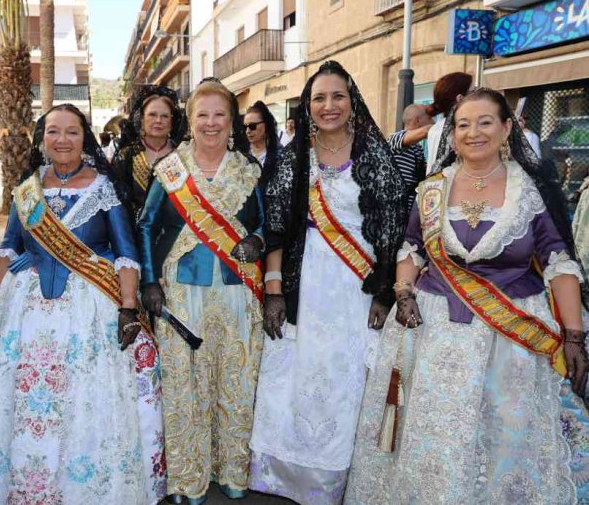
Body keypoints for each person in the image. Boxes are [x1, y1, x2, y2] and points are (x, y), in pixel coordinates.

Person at [346, 88, 589, 504]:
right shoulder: (432, 190)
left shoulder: (530, 192)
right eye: (463, 124)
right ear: (452, 134)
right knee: (434, 430)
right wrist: (403, 292)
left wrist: (573, 336)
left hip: (509, 338)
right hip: (435, 332)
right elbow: (411, 250)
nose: (473, 132)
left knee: (501, 437)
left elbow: (558, 263)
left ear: (507, 129)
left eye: (485, 122)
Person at [0, 104, 166, 504]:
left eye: (72, 132)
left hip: (88, 308)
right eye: (53, 131)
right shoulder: (28, 188)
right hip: (26, 311)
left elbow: (126, 251)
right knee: (30, 399)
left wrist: (127, 307)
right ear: (41, 138)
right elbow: (9, 246)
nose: (62, 140)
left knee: (82, 397)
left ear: (85, 138)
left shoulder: (104, 187)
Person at [248, 60, 405, 504]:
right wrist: (273, 291)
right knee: (292, 375)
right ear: (307, 105)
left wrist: (384, 292)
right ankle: (283, 473)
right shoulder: (293, 157)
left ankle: (336, 479)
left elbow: (392, 229)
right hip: (303, 283)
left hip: (356, 286)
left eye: (338, 96)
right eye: (319, 97)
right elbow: (277, 229)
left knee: (345, 378)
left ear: (352, 101)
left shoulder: (375, 155)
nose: (329, 105)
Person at [138, 78, 264, 504]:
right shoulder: (171, 170)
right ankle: (188, 478)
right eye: (202, 115)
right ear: (189, 122)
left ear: (232, 121)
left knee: (235, 381)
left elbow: (265, 223)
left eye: (219, 115)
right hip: (181, 293)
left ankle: (231, 470)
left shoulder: (247, 171)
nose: (211, 123)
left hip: (236, 291)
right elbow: (146, 225)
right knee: (185, 385)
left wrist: (258, 241)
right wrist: (150, 281)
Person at [112, 85, 186, 221]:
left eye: (165, 116)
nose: (158, 121)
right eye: (152, 115)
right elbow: (117, 203)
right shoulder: (126, 156)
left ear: (172, 121)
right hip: (135, 229)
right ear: (141, 119)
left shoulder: (183, 154)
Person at [387, 103, 434, 214]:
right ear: (417, 121)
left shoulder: (418, 148)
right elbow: (427, 130)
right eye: (430, 117)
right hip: (394, 212)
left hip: (409, 212)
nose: (433, 121)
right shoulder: (394, 139)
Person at [425, 72, 474, 174]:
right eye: (473, 92)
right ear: (460, 98)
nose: (478, 97)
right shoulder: (458, 128)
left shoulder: (436, 127)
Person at [244, 100, 281, 186]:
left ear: (266, 125)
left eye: (252, 126)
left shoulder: (280, 155)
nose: (248, 131)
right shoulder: (240, 154)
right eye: (245, 127)